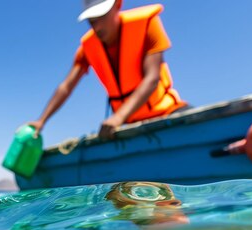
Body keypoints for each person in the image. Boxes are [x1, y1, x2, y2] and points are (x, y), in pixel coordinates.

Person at [28, 0, 186, 140]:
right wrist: (41, 120)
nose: (97, 26)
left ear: (117, 5)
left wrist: (118, 117)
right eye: (91, 21)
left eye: (101, 16)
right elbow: (66, 86)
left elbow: (152, 78)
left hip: (168, 113)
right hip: (129, 125)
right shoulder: (87, 48)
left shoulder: (146, 23)